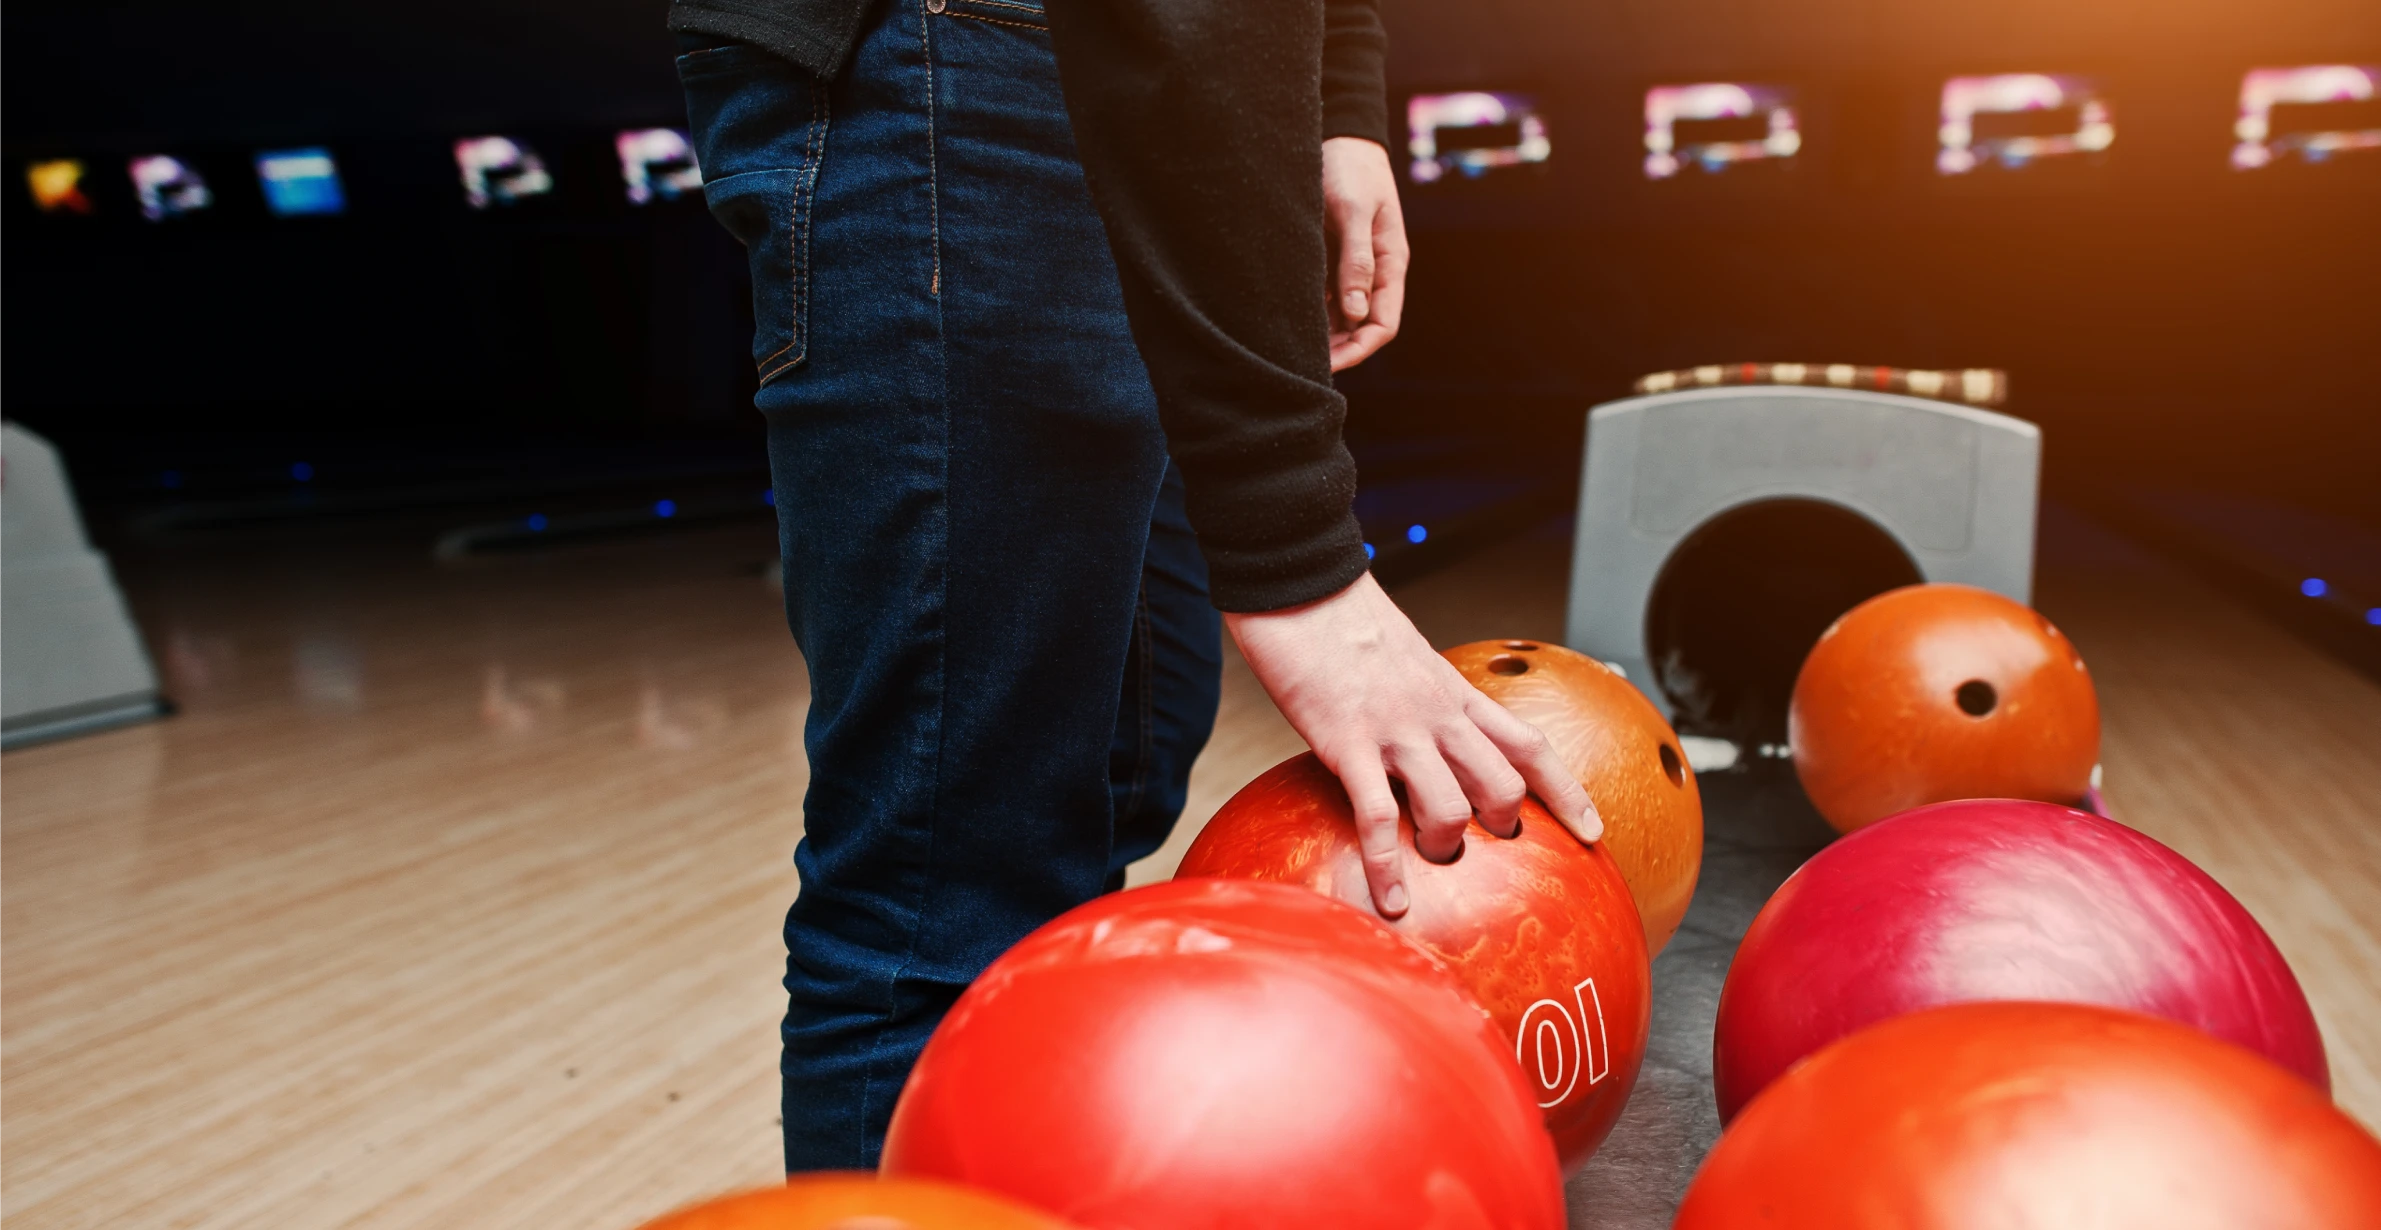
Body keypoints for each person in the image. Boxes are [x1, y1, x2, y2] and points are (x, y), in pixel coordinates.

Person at [667, 0, 1599, 1171]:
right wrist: (1301, 568)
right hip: (941, 65)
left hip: (1094, 79)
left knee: (1125, 752)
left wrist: (1340, 98)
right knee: (944, 879)